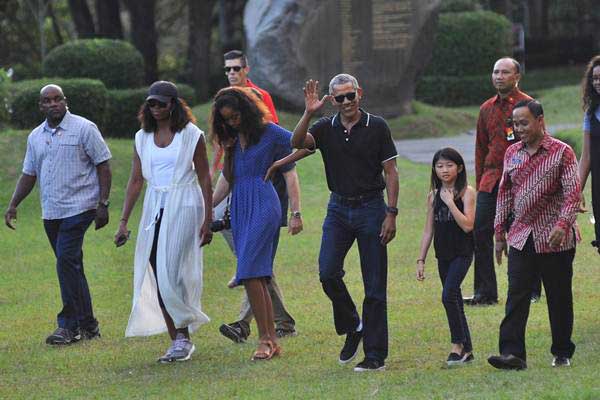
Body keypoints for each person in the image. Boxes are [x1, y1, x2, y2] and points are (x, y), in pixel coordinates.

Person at [291, 75, 399, 372]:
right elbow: (297, 142)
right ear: (333, 101)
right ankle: (354, 325)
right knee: (327, 272)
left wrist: (391, 212)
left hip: (372, 208)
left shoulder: (377, 126)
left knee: (374, 285)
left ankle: (375, 355)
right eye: (339, 98)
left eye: (350, 95)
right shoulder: (326, 127)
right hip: (338, 208)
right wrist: (309, 113)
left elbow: (390, 171)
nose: (346, 102)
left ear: (359, 94)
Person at [4, 84, 112, 345]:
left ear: (65, 101)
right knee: (71, 266)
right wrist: (13, 204)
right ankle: (89, 326)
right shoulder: (35, 137)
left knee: (65, 261)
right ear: (41, 106)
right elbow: (29, 174)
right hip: (51, 211)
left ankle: (68, 326)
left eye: (57, 99)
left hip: (80, 207)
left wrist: (103, 203)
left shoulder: (84, 128)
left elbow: (103, 164)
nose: (53, 104)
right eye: (47, 101)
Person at [115, 81, 213, 363]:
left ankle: (182, 333)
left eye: (161, 103)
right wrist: (123, 221)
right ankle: (178, 338)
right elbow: (135, 181)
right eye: (151, 104)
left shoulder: (191, 134)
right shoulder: (141, 137)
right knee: (157, 270)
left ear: (173, 104)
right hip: (154, 207)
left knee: (170, 269)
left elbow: (205, 176)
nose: (156, 108)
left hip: (184, 204)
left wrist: (208, 219)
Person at [214, 49, 302, 343]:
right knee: (255, 271)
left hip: (265, 200)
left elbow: (302, 146)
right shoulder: (230, 137)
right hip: (240, 205)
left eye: (236, 116)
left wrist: (296, 211)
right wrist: (205, 207)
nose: (232, 122)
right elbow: (227, 178)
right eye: (226, 119)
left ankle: (259, 333)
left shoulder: (268, 127)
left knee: (251, 266)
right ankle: (273, 331)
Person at [488, 100, 580, 370]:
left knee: (558, 296)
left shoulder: (562, 152)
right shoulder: (512, 153)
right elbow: (504, 193)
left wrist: (562, 225)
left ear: (540, 120)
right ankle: (512, 354)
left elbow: (572, 194)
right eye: (515, 124)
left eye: (524, 123)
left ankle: (562, 351)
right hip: (521, 236)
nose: (519, 129)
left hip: (555, 238)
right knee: (516, 295)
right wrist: (499, 233)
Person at [468, 57, 533, 306]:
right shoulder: (486, 108)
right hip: (491, 179)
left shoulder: (528, 105)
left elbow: (540, 143)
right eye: (495, 72)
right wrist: (480, 182)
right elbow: (480, 149)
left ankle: (530, 289)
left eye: (505, 72)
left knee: (525, 232)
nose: (499, 76)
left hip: (521, 178)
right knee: (480, 231)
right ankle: (485, 292)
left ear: (517, 76)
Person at [416, 148, 476, 367]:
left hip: (463, 252)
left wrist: (451, 203)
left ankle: (457, 345)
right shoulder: (432, 196)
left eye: (449, 165)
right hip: (443, 255)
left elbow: (468, 226)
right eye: (440, 166)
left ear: (459, 168)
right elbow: (427, 231)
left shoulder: (467, 192)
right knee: (455, 299)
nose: (444, 170)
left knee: (448, 295)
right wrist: (420, 260)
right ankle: (468, 351)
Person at [578, 55, 600, 254]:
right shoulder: (590, 114)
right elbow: (586, 157)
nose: (597, 82)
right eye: (594, 79)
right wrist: (576, 190)